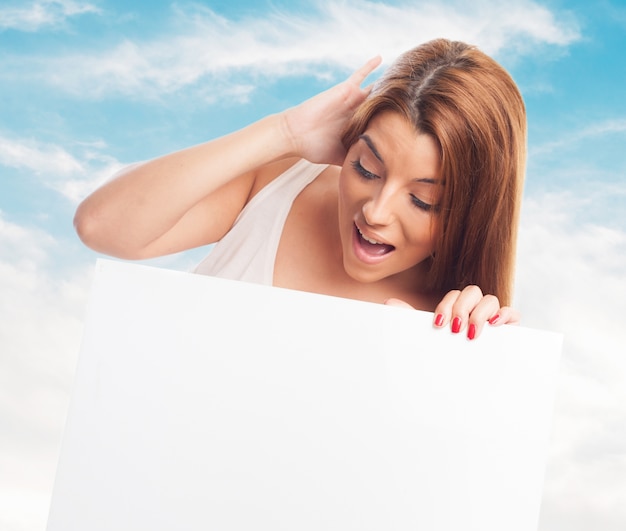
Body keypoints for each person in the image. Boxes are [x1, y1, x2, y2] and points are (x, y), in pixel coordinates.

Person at [74, 38, 526, 340]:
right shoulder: (278, 185)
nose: (376, 212)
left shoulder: (450, 320)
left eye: (424, 200)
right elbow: (101, 225)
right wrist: (283, 133)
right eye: (367, 169)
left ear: (475, 213)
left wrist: (449, 363)